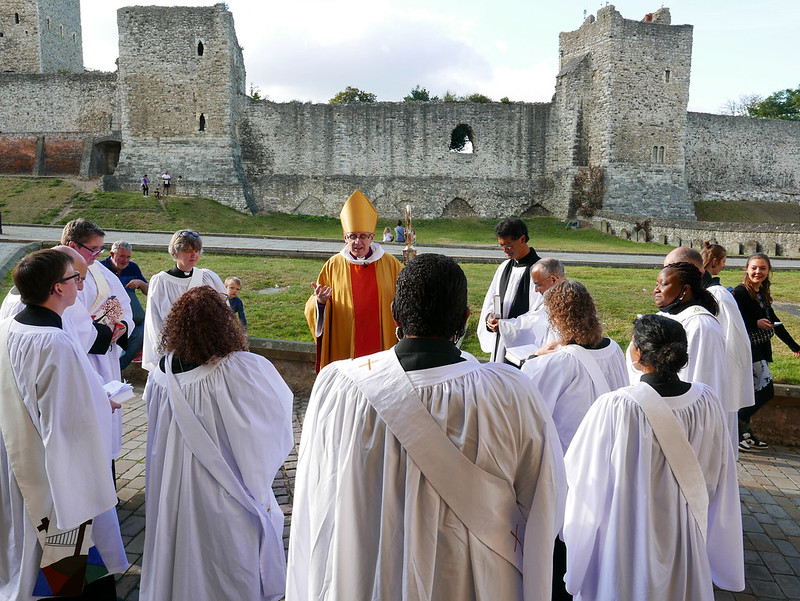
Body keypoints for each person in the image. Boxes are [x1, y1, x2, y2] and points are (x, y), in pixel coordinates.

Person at [287, 253, 565, 601]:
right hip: (477, 578)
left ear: (394, 313)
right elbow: (545, 501)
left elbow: (315, 502)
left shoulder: (339, 387)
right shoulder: (512, 393)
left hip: (369, 576)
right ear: (465, 319)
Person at [563, 314, 744, 601]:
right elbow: (721, 471)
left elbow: (584, 480)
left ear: (637, 354)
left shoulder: (616, 406)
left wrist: (577, 553)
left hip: (626, 536)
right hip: (685, 532)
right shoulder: (706, 401)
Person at [141, 286, 293, 601]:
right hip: (226, 487)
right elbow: (272, 418)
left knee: (178, 542)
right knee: (225, 559)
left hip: (172, 484)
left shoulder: (159, 373)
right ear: (224, 323)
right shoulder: (240, 369)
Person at [0, 249, 128, 601]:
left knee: (42, 543)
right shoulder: (53, 342)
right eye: (75, 278)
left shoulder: (11, 323)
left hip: (22, 451)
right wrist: (103, 404)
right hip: (57, 469)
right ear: (58, 288)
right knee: (68, 543)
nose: (80, 284)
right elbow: (70, 421)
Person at [521, 280, 628, 453]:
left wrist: (534, 357)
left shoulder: (561, 361)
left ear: (556, 318)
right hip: (612, 443)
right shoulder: (614, 349)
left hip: (574, 453)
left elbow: (529, 405)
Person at [304, 190, 403, 372]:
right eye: (352, 236)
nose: (357, 242)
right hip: (345, 348)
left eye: (363, 236)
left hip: (383, 347)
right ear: (345, 237)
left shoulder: (390, 264)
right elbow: (313, 310)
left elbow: (406, 300)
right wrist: (320, 303)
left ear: (372, 237)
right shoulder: (333, 265)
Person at [63, 218, 134, 463]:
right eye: (93, 249)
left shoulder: (98, 270)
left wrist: (122, 326)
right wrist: (104, 333)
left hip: (106, 356)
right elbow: (68, 317)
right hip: (84, 359)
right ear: (73, 244)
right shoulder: (57, 271)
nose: (97, 255)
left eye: (99, 249)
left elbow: (123, 304)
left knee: (106, 428)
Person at [627, 262, 728, 416]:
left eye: (664, 284)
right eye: (656, 284)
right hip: (650, 406)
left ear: (685, 289)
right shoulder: (662, 318)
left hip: (684, 414)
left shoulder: (701, 325)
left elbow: (701, 380)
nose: (656, 290)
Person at [733, 253, 800, 450]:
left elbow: (774, 321)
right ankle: (736, 427)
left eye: (762, 268)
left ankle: (745, 432)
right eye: (754, 267)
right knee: (766, 391)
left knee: (754, 393)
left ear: (768, 270)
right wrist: (755, 323)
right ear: (746, 269)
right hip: (748, 350)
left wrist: (794, 347)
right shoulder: (740, 293)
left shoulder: (761, 292)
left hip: (760, 349)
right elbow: (731, 322)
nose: (758, 272)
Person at [142, 229, 226, 371]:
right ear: (175, 253)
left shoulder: (208, 277)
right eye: (188, 251)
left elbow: (224, 314)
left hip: (207, 351)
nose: (194, 255)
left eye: (197, 250)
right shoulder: (161, 282)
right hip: (177, 354)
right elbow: (155, 321)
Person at [478, 218, 542, 361]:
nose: (505, 251)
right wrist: (490, 318)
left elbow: (540, 314)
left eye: (508, 245)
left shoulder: (540, 271)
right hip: (501, 341)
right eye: (501, 246)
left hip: (525, 347)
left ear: (522, 239)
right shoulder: (503, 268)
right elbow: (491, 300)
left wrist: (507, 326)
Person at [498, 257, 566, 354]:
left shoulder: (569, 301)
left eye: (538, 284)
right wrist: (503, 326)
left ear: (553, 279)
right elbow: (535, 321)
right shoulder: (555, 298)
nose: (536, 290)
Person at [101, 240, 149, 369]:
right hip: (107, 315)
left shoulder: (132, 267)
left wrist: (140, 283)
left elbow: (149, 291)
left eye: (128, 257)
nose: (125, 260)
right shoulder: (101, 268)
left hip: (131, 317)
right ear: (112, 254)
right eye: (122, 256)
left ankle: (118, 368)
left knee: (141, 332)